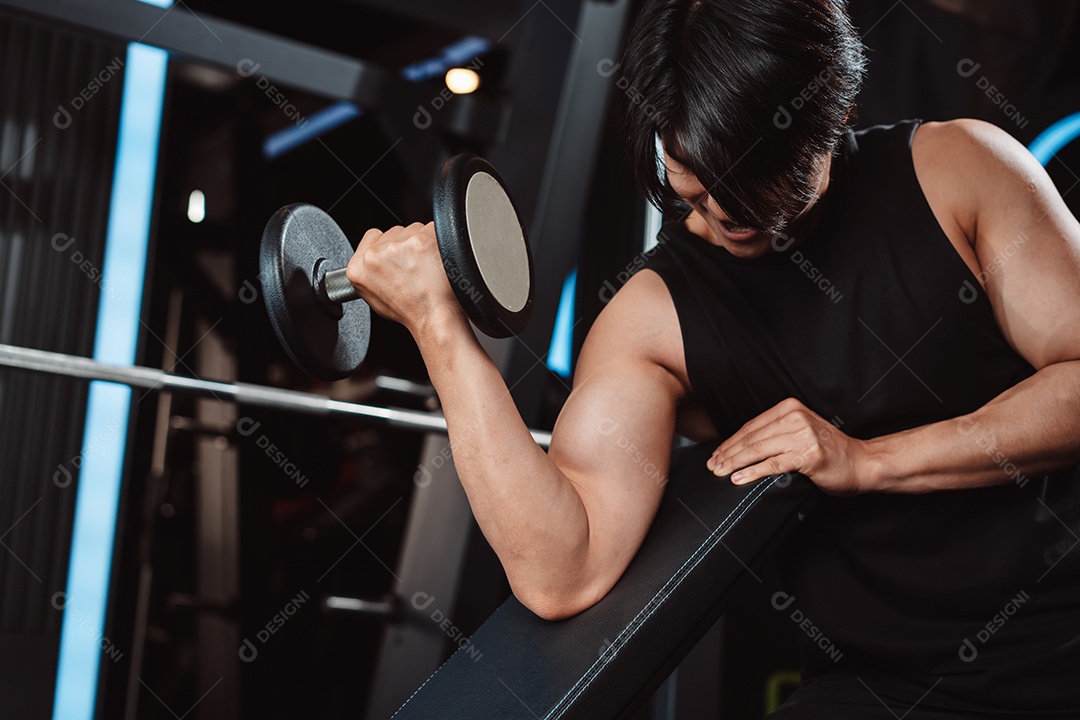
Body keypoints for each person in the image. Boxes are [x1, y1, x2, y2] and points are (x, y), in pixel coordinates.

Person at [346, 0, 1080, 716]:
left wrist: (870, 461)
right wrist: (439, 329)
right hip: (884, 683)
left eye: (757, 180)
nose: (723, 209)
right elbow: (561, 572)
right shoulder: (654, 319)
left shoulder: (960, 172)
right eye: (696, 175)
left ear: (837, 112)